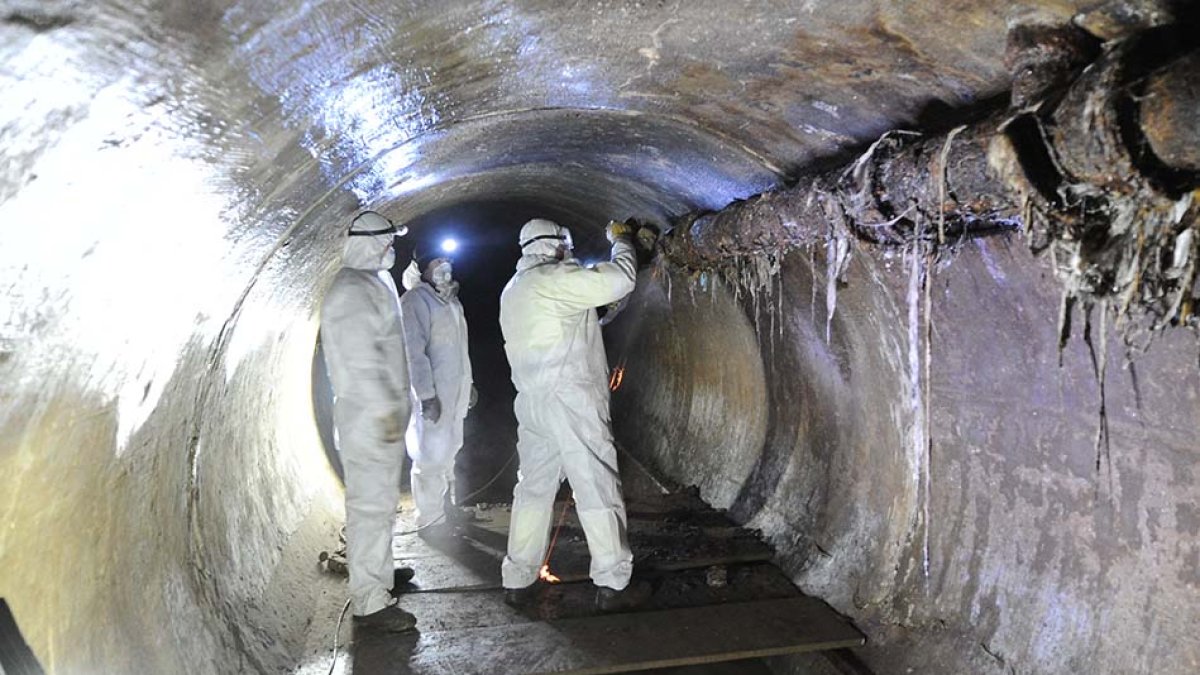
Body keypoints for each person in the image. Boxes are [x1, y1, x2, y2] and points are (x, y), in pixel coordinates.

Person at [497, 218, 651, 611]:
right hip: (571, 400)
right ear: (554, 246)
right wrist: (622, 241)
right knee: (595, 484)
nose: (570, 253)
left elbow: (566, 322)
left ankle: (518, 579)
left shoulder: (515, 289)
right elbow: (621, 279)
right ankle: (614, 584)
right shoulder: (554, 278)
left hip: (533, 403)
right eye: (566, 246)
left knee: (533, 489)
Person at [319, 211, 417, 633]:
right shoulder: (350, 290)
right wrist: (384, 413)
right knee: (368, 508)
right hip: (368, 420)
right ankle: (370, 602)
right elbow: (360, 365)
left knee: (381, 506)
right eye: (389, 242)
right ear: (372, 242)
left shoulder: (375, 282)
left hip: (383, 419)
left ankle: (380, 575)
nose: (392, 248)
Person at [399, 256, 475, 531]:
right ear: (422, 269)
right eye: (437, 263)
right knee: (429, 454)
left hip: (454, 391)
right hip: (434, 395)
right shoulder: (415, 300)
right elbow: (412, 352)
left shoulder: (451, 300)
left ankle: (447, 507)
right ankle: (430, 518)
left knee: (449, 450)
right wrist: (426, 396)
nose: (445, 268)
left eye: (448, 262)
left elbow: (458, 350)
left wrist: (469, 383)